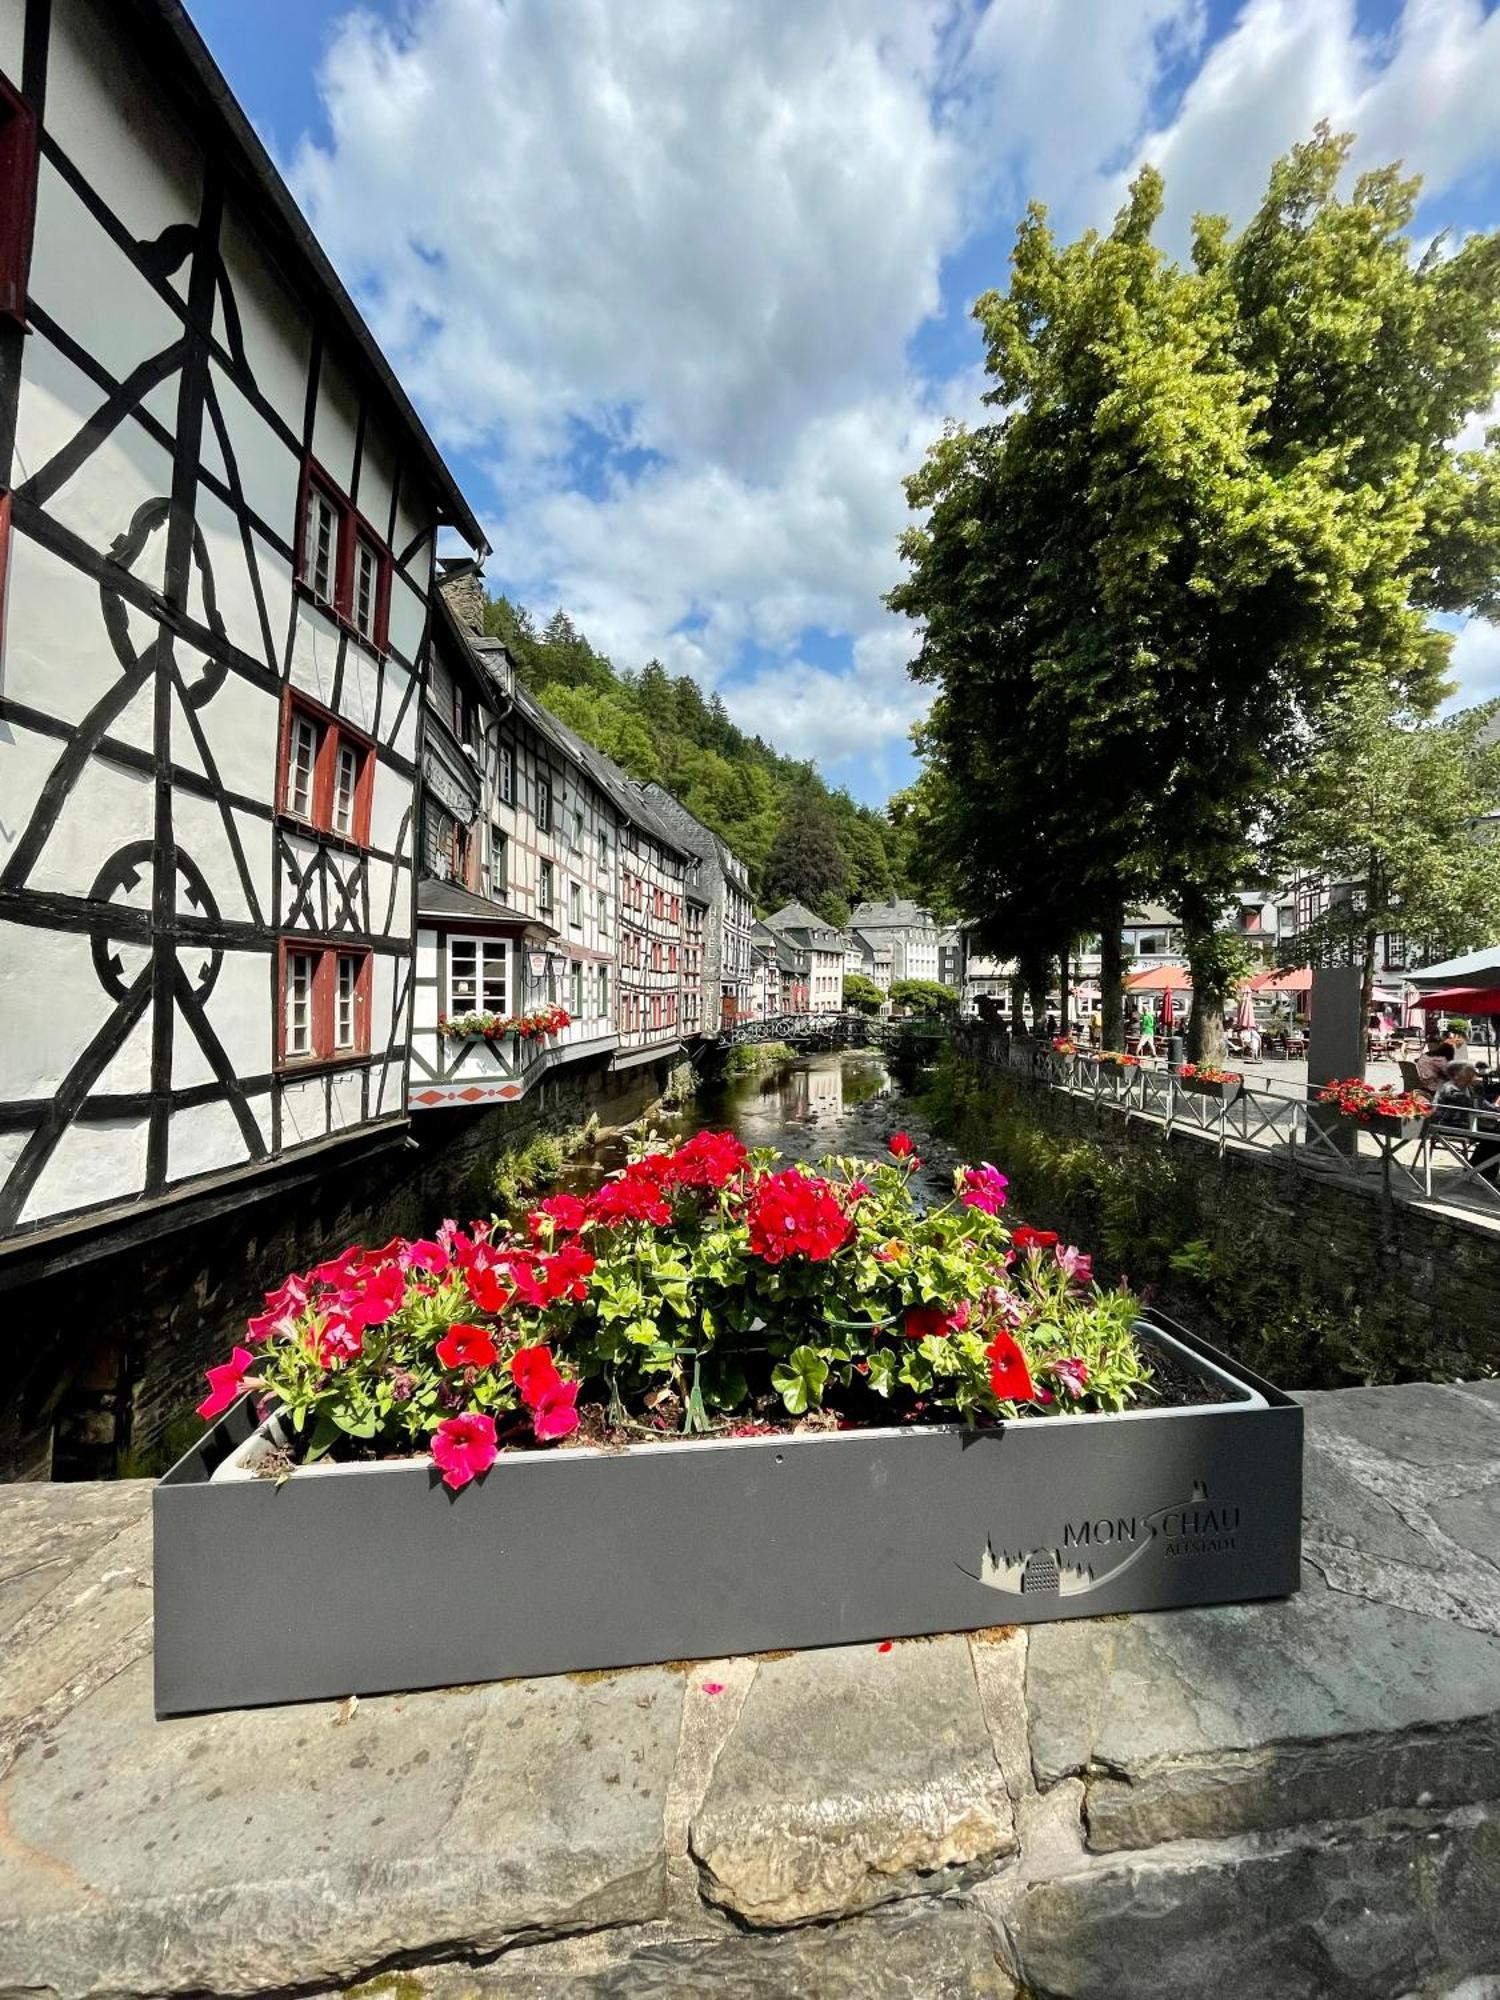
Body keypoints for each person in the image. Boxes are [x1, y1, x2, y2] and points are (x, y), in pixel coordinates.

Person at [1432, 1064, 1500, 1179]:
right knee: (1495, 1136)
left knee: (1494, 1135)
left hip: (1459, 1121)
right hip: (1455, 1125)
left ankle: (1477, 1171)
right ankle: (1479, 1173)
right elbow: (1484, 1108)